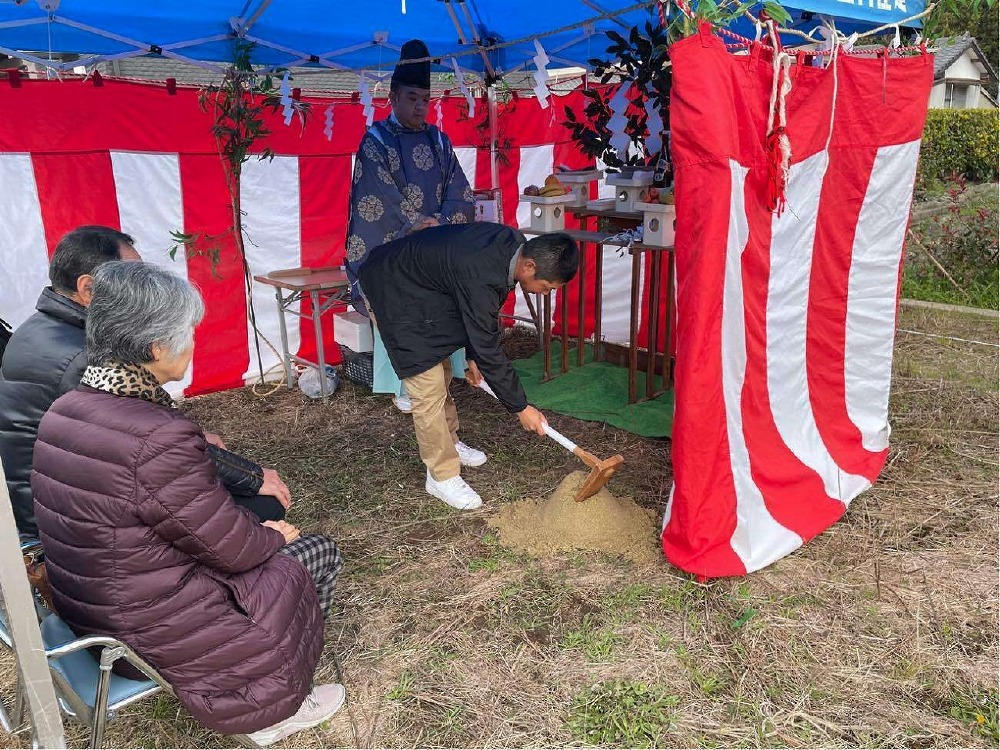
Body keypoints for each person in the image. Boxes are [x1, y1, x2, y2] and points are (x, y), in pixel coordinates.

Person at [31, 262, 345, 746]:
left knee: (265, 531)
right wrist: (270, 537)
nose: (193, 345)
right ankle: (273, 702)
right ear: (156, 348)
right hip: (152, 629)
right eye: (188, 335)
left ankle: (262, 675)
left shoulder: (66, 409)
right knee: (313, 553)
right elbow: (232, 550)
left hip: (91, 609)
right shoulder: (156, 435)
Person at [0, 225, 288, 540]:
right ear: (88, 289)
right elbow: (150, 443)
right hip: (68, 519)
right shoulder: (83, 358)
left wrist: (200, 446)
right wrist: (250, 477)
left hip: (59, 494)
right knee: (263, 505)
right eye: (131, 277)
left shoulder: (38, 327)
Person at [359, 223, 579, 510]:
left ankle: (448, 442)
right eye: (547, 287)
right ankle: (441, 475)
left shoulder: (512, 245)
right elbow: (489, 343)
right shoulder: (483, 272)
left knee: (443, 370)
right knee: (427, 388)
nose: (546, 293)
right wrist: (520, 407)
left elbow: (479, 317)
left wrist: (473, 357)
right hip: (391, 286)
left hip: (424, 288)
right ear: (529, 266)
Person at [345, 38, 475, 415]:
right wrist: (417, 224)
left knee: (440, 316)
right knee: (401, 314)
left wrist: (443, 222)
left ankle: (438, 395)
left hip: (436, 246)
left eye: (425, 100)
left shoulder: (439, 140)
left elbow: (459, 190)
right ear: (393, 96)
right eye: (412, 98)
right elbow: (376, 196)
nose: (420, 107)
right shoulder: (376, 140)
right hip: (397, 249)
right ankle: (408, 387)